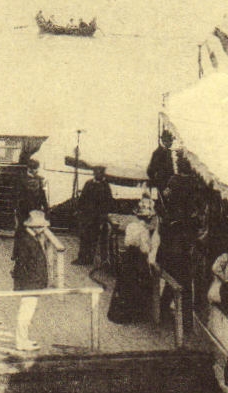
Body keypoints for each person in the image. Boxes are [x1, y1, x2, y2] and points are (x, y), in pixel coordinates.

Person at [13, 210, 65, 351]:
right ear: (35, 227)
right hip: (29, 283)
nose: (43, 229)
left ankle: (23, 339)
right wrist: (30, 282)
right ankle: (21, 342)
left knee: (28, 312)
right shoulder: (27, 241)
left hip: (31, 282)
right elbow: (22, 263)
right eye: (41, 227)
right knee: (25, 313)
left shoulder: (29, 237)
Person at [106, 195, 159, 324]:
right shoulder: (142, 229)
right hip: (138, 259)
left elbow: (127, 242)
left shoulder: (132, 226)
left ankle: (124, 312)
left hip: (129, 257)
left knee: (126, 283)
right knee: (136, 283)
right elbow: (144, 249)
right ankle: (135, 314)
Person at [73, 165, 114, 266]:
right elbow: (82, 198)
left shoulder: (105, 186)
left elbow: (109, 202)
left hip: (98, 218)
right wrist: (79, 210)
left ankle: (90, 259)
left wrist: (103, 216)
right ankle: (82, 258)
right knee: (84, 237)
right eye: (96, 172)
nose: (98, 174)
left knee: (94, 238)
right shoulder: (88, 184)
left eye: (100, 172)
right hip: (86, 216)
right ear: (94, 173)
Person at [147, 128, 177, 194]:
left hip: (170, 186)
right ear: (164, 141)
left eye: (171, 140)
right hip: (162, 186)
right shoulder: (158, 153)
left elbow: (171, 170)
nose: (171, 142)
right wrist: (159, 184)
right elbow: (150, 171)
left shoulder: (169, 152)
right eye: (170, 140)